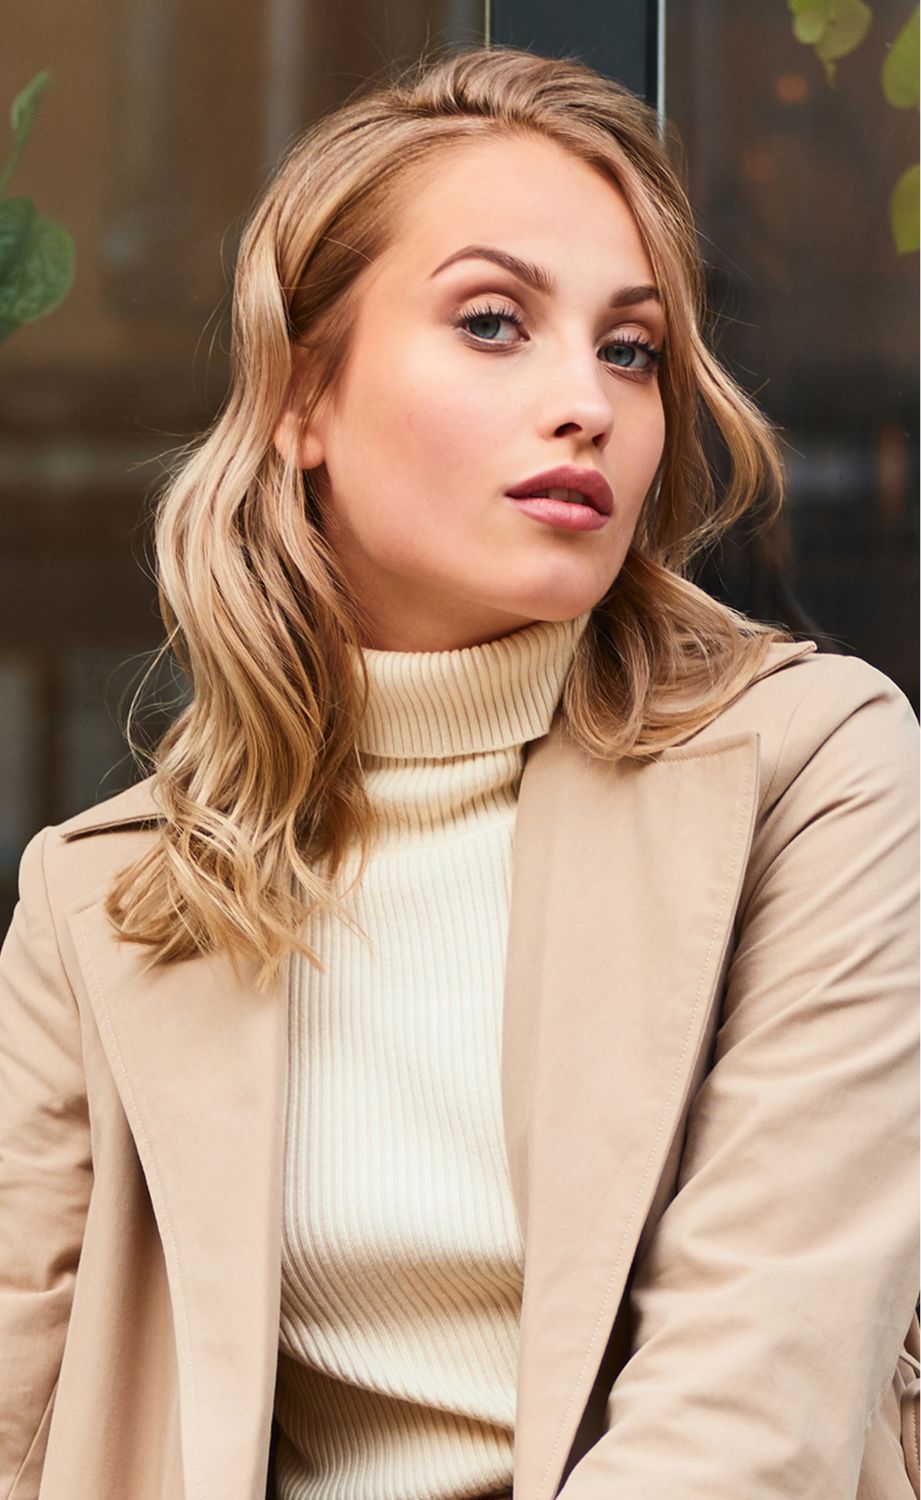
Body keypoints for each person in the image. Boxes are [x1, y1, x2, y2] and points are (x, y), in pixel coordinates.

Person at [1, 43, 918, 1500]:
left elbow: (759, 1399)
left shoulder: (813, 772)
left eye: (629, 349)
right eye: (493, 323)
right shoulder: (101, 902)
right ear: (303, 397)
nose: (587, 402)